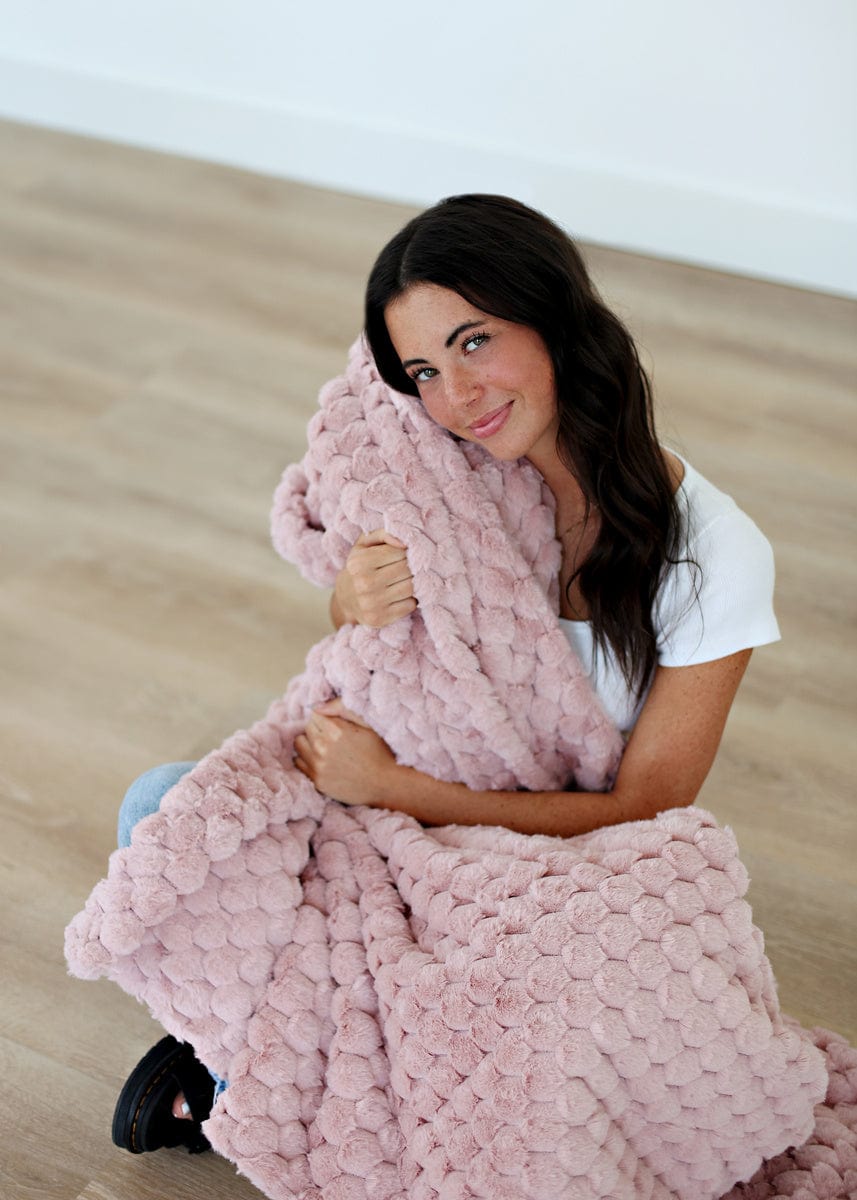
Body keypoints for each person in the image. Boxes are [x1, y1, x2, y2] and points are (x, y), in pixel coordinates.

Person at [111, 193, 780, 1153]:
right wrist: (348, 599)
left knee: (570, 996)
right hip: (379, 804)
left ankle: (264, 1063)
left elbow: (647, 807)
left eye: (474, 343)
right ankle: (276, 1060)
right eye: (425, 368)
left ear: (556, 319)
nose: (456, 398)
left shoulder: (711, 551)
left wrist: (400, 790)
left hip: (547, 854)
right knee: (163, 810)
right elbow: (380, 653)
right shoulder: (441, 476)